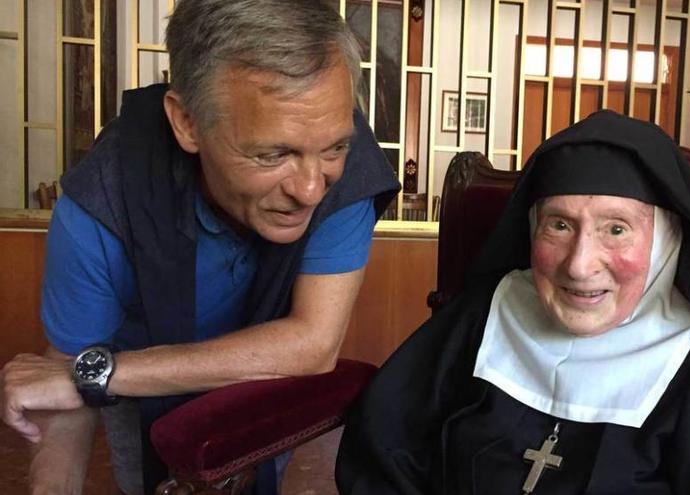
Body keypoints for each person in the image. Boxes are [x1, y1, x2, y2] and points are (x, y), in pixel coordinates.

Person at [335, 110, 690, 494]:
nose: (578, 263)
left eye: (617, 230)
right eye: (559, 225)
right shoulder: (483, 319)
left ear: (666, 242)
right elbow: (380, 452)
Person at [0, 1, 399, 494]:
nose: (312, 190)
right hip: (139, 378)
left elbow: (312, 345)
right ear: (188, 123)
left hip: (249, 378)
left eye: (334, 147)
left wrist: (101, 373)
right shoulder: (104, 200)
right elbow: (64, 378)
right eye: (273, 153)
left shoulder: (345, 170)